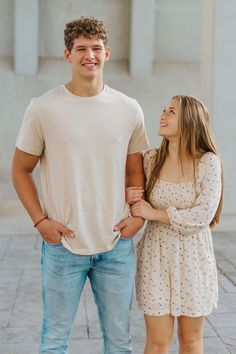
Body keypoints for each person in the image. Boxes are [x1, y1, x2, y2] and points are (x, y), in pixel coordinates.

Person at [12, 16, 149, 354]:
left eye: (96, 48)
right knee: (54, 342)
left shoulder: (128, 108)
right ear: (67, 55)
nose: (90, 55)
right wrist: (41, 222)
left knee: (119, 342)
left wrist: (138, 216)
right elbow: (20, 169)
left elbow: (135, 170)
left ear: (107, 53)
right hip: (63, 246)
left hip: (115, 244)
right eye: (81, 49)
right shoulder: (43, 108)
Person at [126, 95, 223, 354]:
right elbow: (129, 188)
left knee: (190, 341)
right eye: (164, 109)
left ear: (190, 121)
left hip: (193, 259)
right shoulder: (150, 160)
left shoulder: (208, 163)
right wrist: (130, 197)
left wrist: (155, 213)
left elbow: (203, 215)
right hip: (155, 259)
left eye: (171, 112)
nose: (163, 115)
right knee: (157, 343)